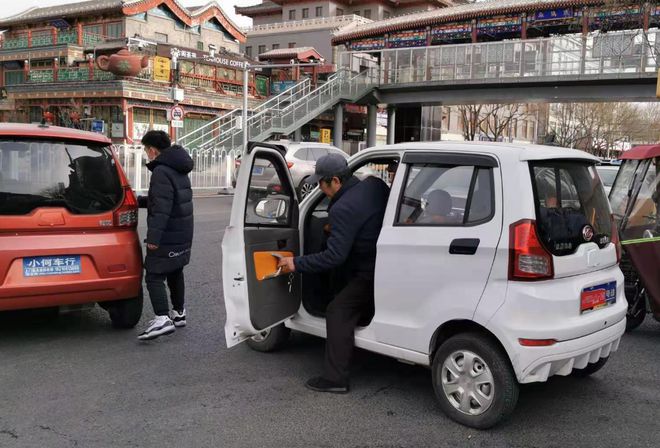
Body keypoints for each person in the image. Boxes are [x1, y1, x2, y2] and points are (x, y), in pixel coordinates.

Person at [277, 154, 389, 393]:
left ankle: (335, 379)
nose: (320, 187)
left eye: (321, 183)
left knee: (337, 311)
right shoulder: (373, 185)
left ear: (335, 181)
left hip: (369, 272)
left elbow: (334, 257)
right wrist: (335, 228)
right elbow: (365, 218)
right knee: (338, 284)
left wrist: (295, 264)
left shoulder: (343, 208)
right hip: (383, 261)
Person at [137, 130, 194, 341]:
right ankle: (179, 313)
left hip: (167, 233)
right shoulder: (178, 167)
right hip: (182, 231)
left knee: (153, 274)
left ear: (152, 150)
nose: (147, 154)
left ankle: (162, 319)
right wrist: (140, 200)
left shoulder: (161, 171)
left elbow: (162, 208)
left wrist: (153, 239)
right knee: (175, 270)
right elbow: (168, 198)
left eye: (146, 150)